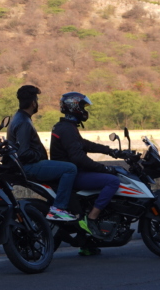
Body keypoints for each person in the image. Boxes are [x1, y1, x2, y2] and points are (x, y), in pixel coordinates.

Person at [50, 92, 125, 256]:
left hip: (71, 172)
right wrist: (104, 168)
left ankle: (87, 244)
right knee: (112, 181)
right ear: (74, 107)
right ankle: (91, 219)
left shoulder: (66, 127)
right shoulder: (67, 129)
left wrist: (111, 151)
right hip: (73, 174)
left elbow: (85, 144)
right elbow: (78, 158)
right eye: (82, 107)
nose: (84, 110)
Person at [7, 85, 78, 222]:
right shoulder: (24, 122)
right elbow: (24, 153)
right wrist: (40, 155)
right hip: (29, 166)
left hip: (23, 166)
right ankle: (58, 208)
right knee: (70, 168)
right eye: (37, 100)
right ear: (33, 103)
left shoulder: (18, 118)